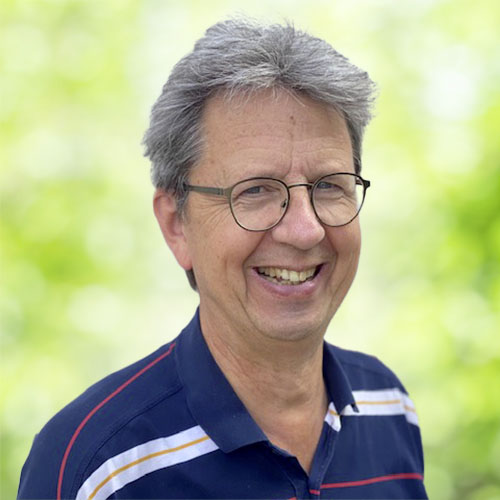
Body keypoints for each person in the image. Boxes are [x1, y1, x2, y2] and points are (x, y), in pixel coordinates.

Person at [18, 17, 427, 500]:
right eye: (255, 190)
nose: (305, 230)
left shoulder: (387, 407)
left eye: (328, 186)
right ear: (176, 224)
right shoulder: (99, 469)